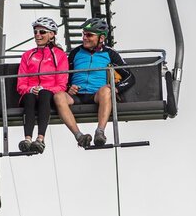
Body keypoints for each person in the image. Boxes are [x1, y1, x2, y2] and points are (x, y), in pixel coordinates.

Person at [53, 17, 135, 148]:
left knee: (107, 90)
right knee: (58, 96)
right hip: (76, 96)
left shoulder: (110, 53)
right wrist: (68, 87)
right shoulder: (75, 53)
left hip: (97, 95)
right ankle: (79, 136)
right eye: (84, 34)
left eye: (89, 35)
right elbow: (64, 75)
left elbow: (130, 77)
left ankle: (100, 132)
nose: (85, 38)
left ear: (101, 38)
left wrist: (117, 88)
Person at [15, 17, 68, 154]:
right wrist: (31, 89)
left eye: (42, 32)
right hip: (30, 94)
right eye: (35, 32)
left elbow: (61, 84)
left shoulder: (59, 55)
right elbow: (21, 83)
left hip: (48, 94)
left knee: (44, 94)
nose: (38, 35)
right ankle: (27, 139)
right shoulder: (27, 55)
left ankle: (40, 139)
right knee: (29, 96)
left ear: (51, 34)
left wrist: (45, 89)